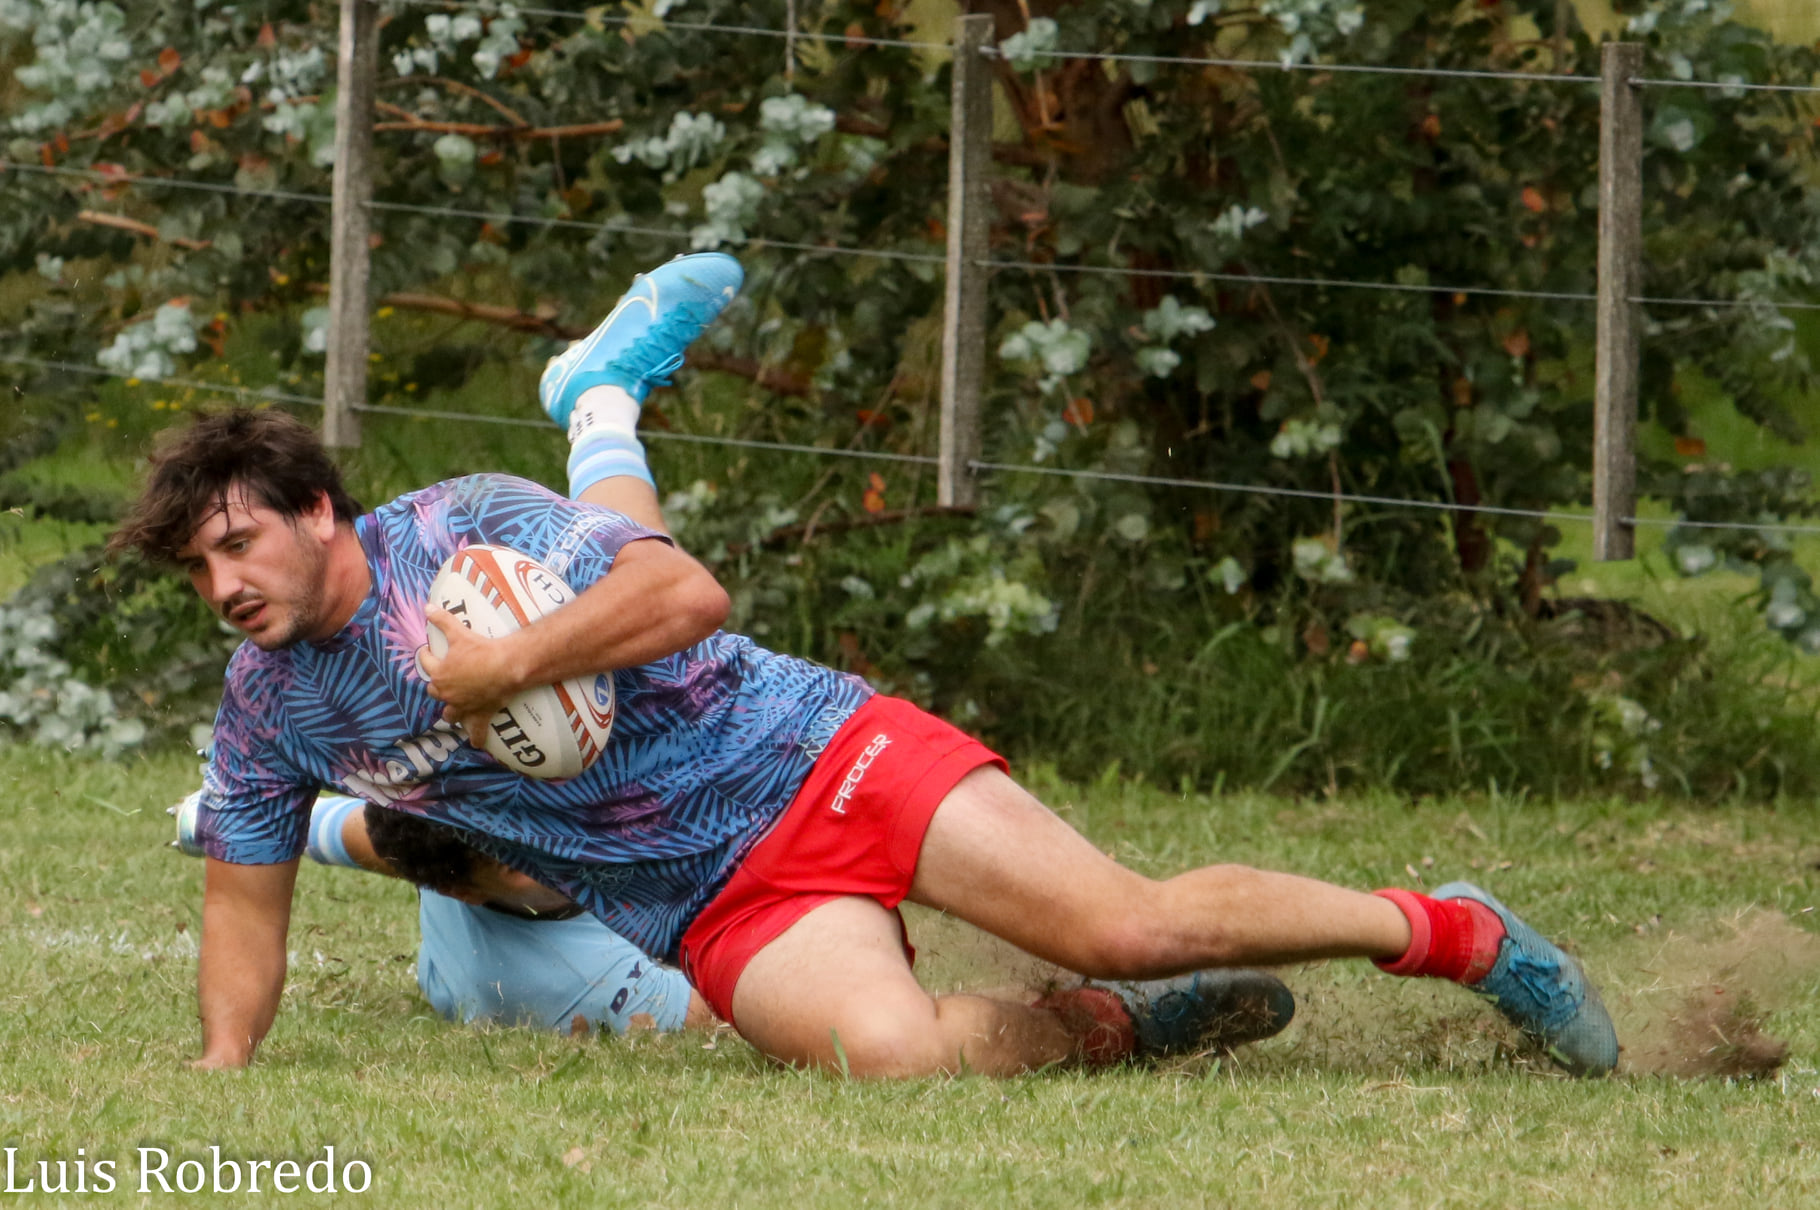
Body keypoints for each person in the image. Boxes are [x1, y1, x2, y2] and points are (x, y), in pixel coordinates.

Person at [112, 252, 1618, 1078]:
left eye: (239, 545)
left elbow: (686, 591)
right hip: (712, 895)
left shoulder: (464, 532)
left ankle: (1456, 931)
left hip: (812, 751)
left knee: (1125, 919)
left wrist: (500, 664)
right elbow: (247, 898)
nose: (223, 585)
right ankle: (1109, 1035)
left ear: (321, 513)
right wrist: (224, 1067)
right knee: (893, 1054)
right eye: (198, 570)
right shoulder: (267, 715)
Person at [170, 790, 715, 1035]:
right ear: (467, 894)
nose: (546, 848)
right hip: (486, 969)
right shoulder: (585, 989)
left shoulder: (476, 817)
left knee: (390, 839)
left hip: (458, 877)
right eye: (513, 862)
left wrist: (227, 823)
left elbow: (354, 831)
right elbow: (724, 1009)